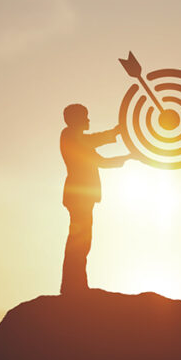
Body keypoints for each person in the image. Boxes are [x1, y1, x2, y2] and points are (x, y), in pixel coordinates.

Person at [60, 103, 130, 294]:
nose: (88, 120)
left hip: (83, 197)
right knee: (79, 241)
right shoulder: (69, 136)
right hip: (78, 196)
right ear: (75, 120)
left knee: (83, 241)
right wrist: (115, 132)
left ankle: (76, 284)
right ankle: (72, 286)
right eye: (85, 116)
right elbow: (93, 142)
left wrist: (127, 157)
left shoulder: (79, 141)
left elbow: (101, 161)